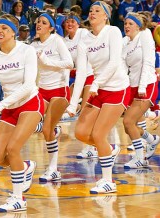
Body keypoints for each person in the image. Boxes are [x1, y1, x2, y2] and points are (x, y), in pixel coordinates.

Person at [0, 14, 41, 212]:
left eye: (4, 28)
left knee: (13, 148)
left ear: (14, 32)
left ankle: (18, 198)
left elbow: (29, 84)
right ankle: (24, 167)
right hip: (9, 109)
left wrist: (3, 103)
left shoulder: (27, 50)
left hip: (30, 103)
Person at [74, 1, 129, 194]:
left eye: (98, 10)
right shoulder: (84, 40)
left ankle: (108, 181)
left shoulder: (113, 31)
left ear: (106, 15)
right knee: (80, 132)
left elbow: (114, 63)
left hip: (117, 87)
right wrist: (73, 104)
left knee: (98, 134)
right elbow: (81, 73)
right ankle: (109, 148)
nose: (93, 13)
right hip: (99, 90)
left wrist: (96, 84)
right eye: (91, 10)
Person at [30, 13, 73, 182]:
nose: (39, 24)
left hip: (59, 90)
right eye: (38, 22)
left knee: (46, 129)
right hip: (41, 90)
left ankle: (53, 169)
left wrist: (47, 61)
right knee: (30, 123)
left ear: (51, 27)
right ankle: (53, 130)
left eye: (44, 22)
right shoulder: (32, 45)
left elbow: (69, 63)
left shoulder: (57, 40)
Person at [123, 12, 159, 167]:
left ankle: (140, 158)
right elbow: (122, 67)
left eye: (130, 23)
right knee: (128, 127)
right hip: (131, 85)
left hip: (147, 84)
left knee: (128, 121)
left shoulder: (144, 36)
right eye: (125, 23)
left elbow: (148, 62)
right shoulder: (124, 42)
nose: (126, 26)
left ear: (138, 25)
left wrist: (143, 86)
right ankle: (152, 140)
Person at [63, 12, 98, 159]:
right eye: (67, 22)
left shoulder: (84, 34)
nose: (70, 24)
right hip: (77, 77)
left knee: (85, 111)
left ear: (78, 24)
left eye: (73, 21)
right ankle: (92, 145)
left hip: (91, 74)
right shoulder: (64, 42)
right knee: (71, 106)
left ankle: (92, 147)